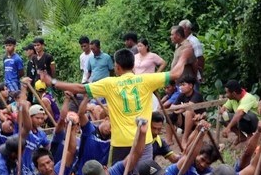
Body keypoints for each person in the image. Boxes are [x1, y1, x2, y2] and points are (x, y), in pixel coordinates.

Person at [39, 46, 192, 166]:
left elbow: (79, 88)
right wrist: (184, 56)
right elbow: (176, 74)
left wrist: (52, 81)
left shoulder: (109, 84)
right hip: (144, 142)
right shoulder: (147, 80)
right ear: (133, 65)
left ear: (117, 67)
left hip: (121, 144)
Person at [171, 74, 204, 148]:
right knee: (170, 115)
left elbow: (189, 106)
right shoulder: (181, 95)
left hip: (198, 119)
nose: (180, 87)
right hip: (185, 119)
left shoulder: (197, 95)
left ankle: (184, 138)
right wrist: (182, 107)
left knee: (188, 111)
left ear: (191, 86)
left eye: (183, 85)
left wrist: (181, 108)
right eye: (180, 85)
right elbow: (172, 107)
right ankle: (169, 139)